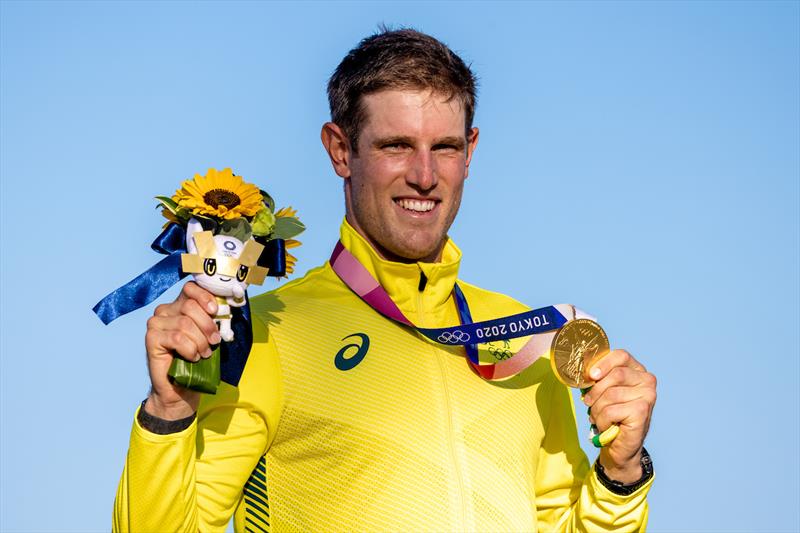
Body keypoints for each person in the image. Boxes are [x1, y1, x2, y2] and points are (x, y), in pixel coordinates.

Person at [114, 28, 657, 532]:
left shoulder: (523, 337)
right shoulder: (268, 334)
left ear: (470, 151)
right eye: (396, 145)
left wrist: (619, 473)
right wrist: (167, 414)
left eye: (444, 147)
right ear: (340, 150)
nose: (424, 175)